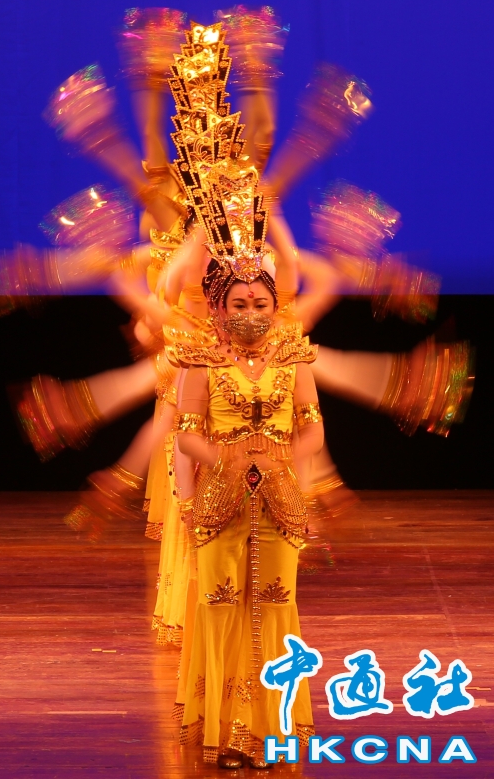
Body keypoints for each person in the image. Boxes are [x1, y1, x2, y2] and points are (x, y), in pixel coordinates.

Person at [172, 259, 324, 768]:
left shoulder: (295, 360)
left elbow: (313, 429)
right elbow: (188, 434)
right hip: (220, 500)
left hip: (280, 498)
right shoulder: (201, 363)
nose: (251, 314)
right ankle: (226, 734)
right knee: (219, 607)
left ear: (275, 307)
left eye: (261, 304)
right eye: (239, 304)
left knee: (276, 606)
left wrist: (284, 461)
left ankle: (267, 731)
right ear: (218, 309)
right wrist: (226, 459)